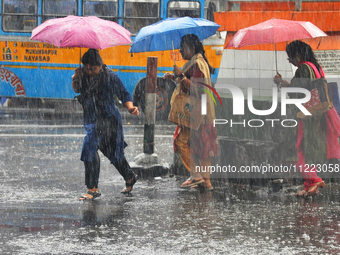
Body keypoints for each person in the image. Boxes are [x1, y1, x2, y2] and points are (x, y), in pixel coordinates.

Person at [273, 40, 340, 197]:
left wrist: (281, 84)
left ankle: (314, 179)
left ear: (297, 55)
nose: (289, 60)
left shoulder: (304, 68)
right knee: (310, 150)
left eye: (290, 56)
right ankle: (310, 185)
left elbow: (299, 92)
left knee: (300, 149)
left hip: (309, 114)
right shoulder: (315, 67)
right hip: (320, 112)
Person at [72, 49, 139, 200]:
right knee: (109, 152)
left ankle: (92, 188)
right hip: (91, 119)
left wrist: (130, 107)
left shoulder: (110, 76)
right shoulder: (82, 73)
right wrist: (76, 78)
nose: (90, 72)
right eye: (87, 68)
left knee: (94, 148)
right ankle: (130, 177)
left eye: (93, 68)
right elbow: (77, 89)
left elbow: (124, 93)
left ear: (100, 64)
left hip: (108, 119)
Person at [164, 34, 219, 190]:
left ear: (192, 48)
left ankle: (196, 175)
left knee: (181, 142)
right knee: (203, 148)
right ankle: (206, 182)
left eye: (183, 48)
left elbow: (198, 90)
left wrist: (181, 75)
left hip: (195, 114)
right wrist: (176, 77)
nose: (180, 51)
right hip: (204, 113)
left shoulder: (196, 65)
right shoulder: (200, 62)